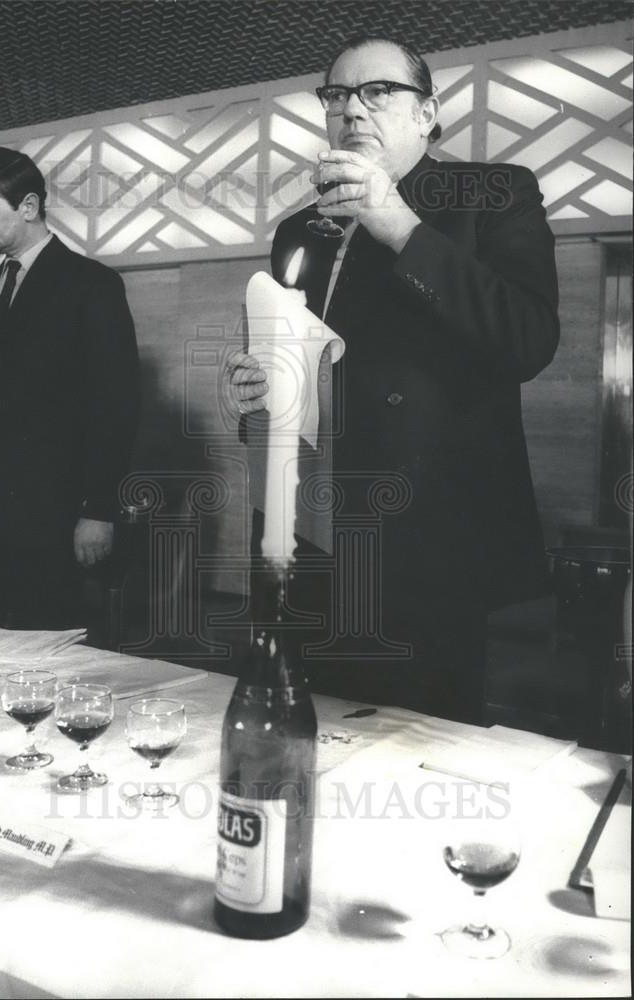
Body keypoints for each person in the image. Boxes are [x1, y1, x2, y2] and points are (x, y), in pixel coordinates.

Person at [227, 36, 560, 724]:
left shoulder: (492, 194)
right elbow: (290, 359)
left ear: (427, 112)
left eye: (378, 91)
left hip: (428, 535)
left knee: (419, 742)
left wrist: (397, 222)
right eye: (337, 94)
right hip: (310, 525)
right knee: (299, 723)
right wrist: (254, 393)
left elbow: (527, 340)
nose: (353, 108)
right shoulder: (300, 227)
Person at [0, 147, 139, 629]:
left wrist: (98, 510)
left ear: (28, 207)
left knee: (41, 645)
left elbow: (115, 404)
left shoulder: (91, 285)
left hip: (49, 511)